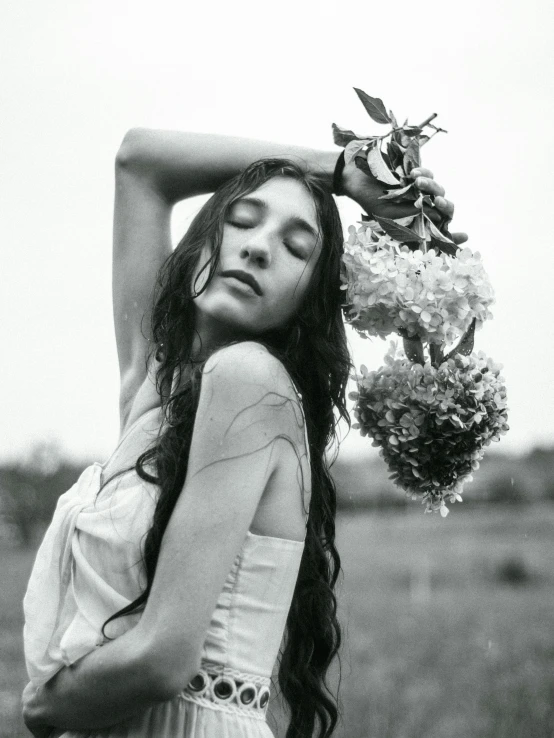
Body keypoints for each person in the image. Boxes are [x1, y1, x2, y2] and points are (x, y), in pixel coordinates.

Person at [21, 129, 466, 738]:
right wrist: (341, 169)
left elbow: (162, 660)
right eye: (242, 220)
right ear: (204, 241)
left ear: (312, 297)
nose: (258, 248)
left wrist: (41, 710)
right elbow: (139, 162)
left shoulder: (248, 379)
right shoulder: (156, 383)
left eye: (296, 246)